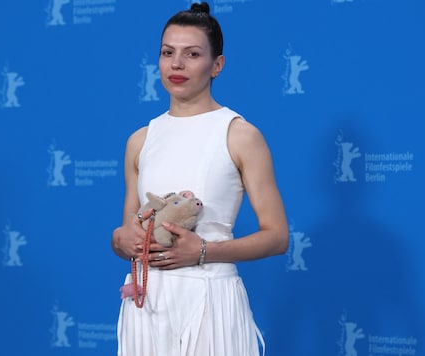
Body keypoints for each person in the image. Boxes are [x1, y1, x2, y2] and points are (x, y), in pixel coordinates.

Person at [111, 2, 289, 355]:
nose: (176, 64)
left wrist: (205, 251)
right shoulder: (140, 140)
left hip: (210, 301)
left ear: (217, 65)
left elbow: (278, 237)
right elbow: (128, 235)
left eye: (192, 54)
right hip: (147, 303)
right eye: (167, 53)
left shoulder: (239, 134)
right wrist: (120, 239)